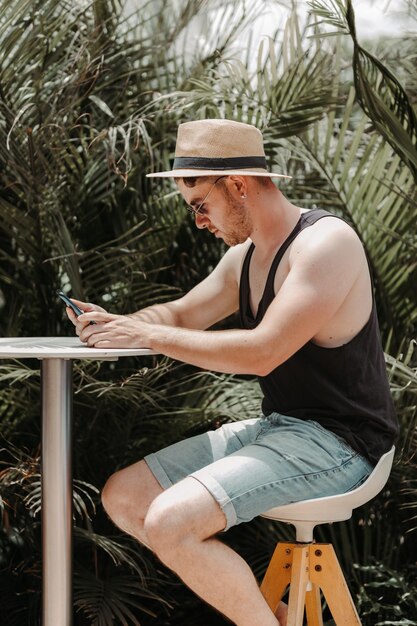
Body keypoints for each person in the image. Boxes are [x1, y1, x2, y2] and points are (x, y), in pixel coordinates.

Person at [67, 119, 398, 626]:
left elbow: (262, 352)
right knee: (125, 496)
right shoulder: (244, 260)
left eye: (201, 205)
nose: (198, 222)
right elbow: (178, 314)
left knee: (171, 522)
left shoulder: (327, 245)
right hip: (280, 430)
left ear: (239, 186)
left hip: (344, 444)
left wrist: (148, 337)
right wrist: (118, 324)